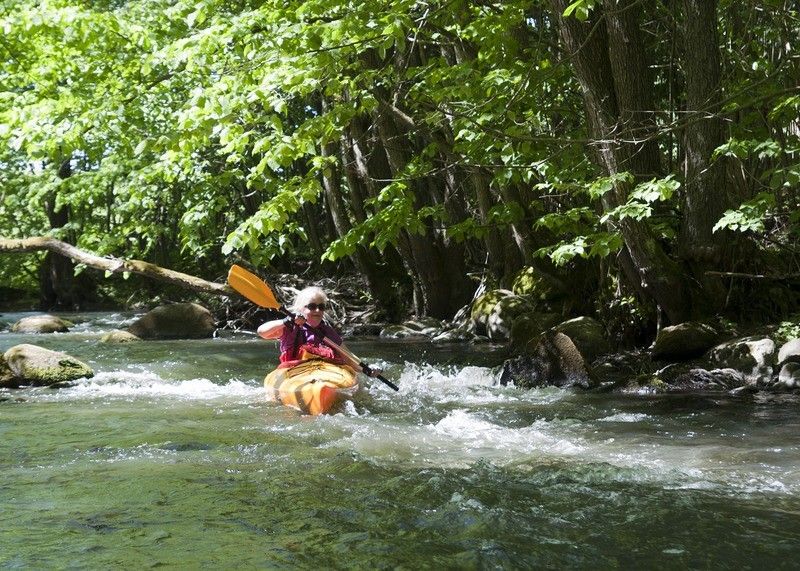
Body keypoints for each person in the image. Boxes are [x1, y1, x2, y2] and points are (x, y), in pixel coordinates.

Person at [257, 286, 345, 363]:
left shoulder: (327, 331)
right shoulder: (290, 328)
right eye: (312, 306)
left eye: (321, 307)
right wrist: (286, 321)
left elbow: (346, 355)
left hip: (323, 371)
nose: (317, 310)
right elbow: (262, 332)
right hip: (296, 372)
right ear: (300, 309)